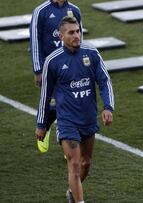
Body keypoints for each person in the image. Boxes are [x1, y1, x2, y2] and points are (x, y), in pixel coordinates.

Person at [35, 16, 114, 203]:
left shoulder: (92, 53)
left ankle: (72, 192)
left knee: (87, 163)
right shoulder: (53, 61)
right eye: (71, 33)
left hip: (88, 119)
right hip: (67, 121)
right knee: (75, 163)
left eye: (78, 31)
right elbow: (45, 95)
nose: (77, 35)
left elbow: (104, 81)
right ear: (61, 36)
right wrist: (41, 124)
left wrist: (108, 107)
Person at [30, 0, 83, 153]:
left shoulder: (75, 10)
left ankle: (66, 138)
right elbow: (35, 41)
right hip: (50, 67)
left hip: (70, 64)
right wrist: (38, 69)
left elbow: (80, 38)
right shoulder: (41, 11)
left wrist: (79, 62)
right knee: (52, 104)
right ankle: (45, 127)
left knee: (71, 101)